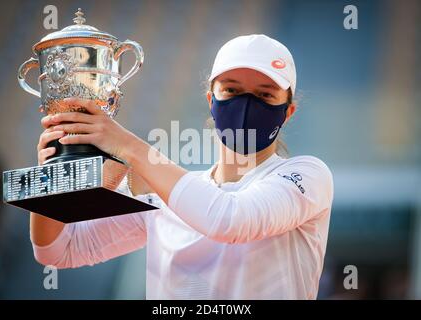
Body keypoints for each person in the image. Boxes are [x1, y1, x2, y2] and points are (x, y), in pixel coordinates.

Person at [30, 34, 334, 299]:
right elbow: (58, 250)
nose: (246, 105)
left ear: (288, 112)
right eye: (231, 90)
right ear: (211, 101)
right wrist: (53, 174)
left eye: (265, 94)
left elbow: (230, 220)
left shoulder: (307, 175)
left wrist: (128, 146)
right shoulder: (168, 195)